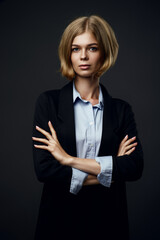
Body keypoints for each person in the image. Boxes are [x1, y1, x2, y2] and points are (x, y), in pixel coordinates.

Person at [32, 15, 143, 240]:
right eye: (75, 49)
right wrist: (110, 173)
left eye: (92, 48)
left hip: (109, 222)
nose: (83, 56)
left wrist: (68, 159)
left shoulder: (121, 110)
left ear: (104, 53)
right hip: (58, 221)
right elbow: (45, 170)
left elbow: (133, 167)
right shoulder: (49, 103)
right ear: (68, 53)